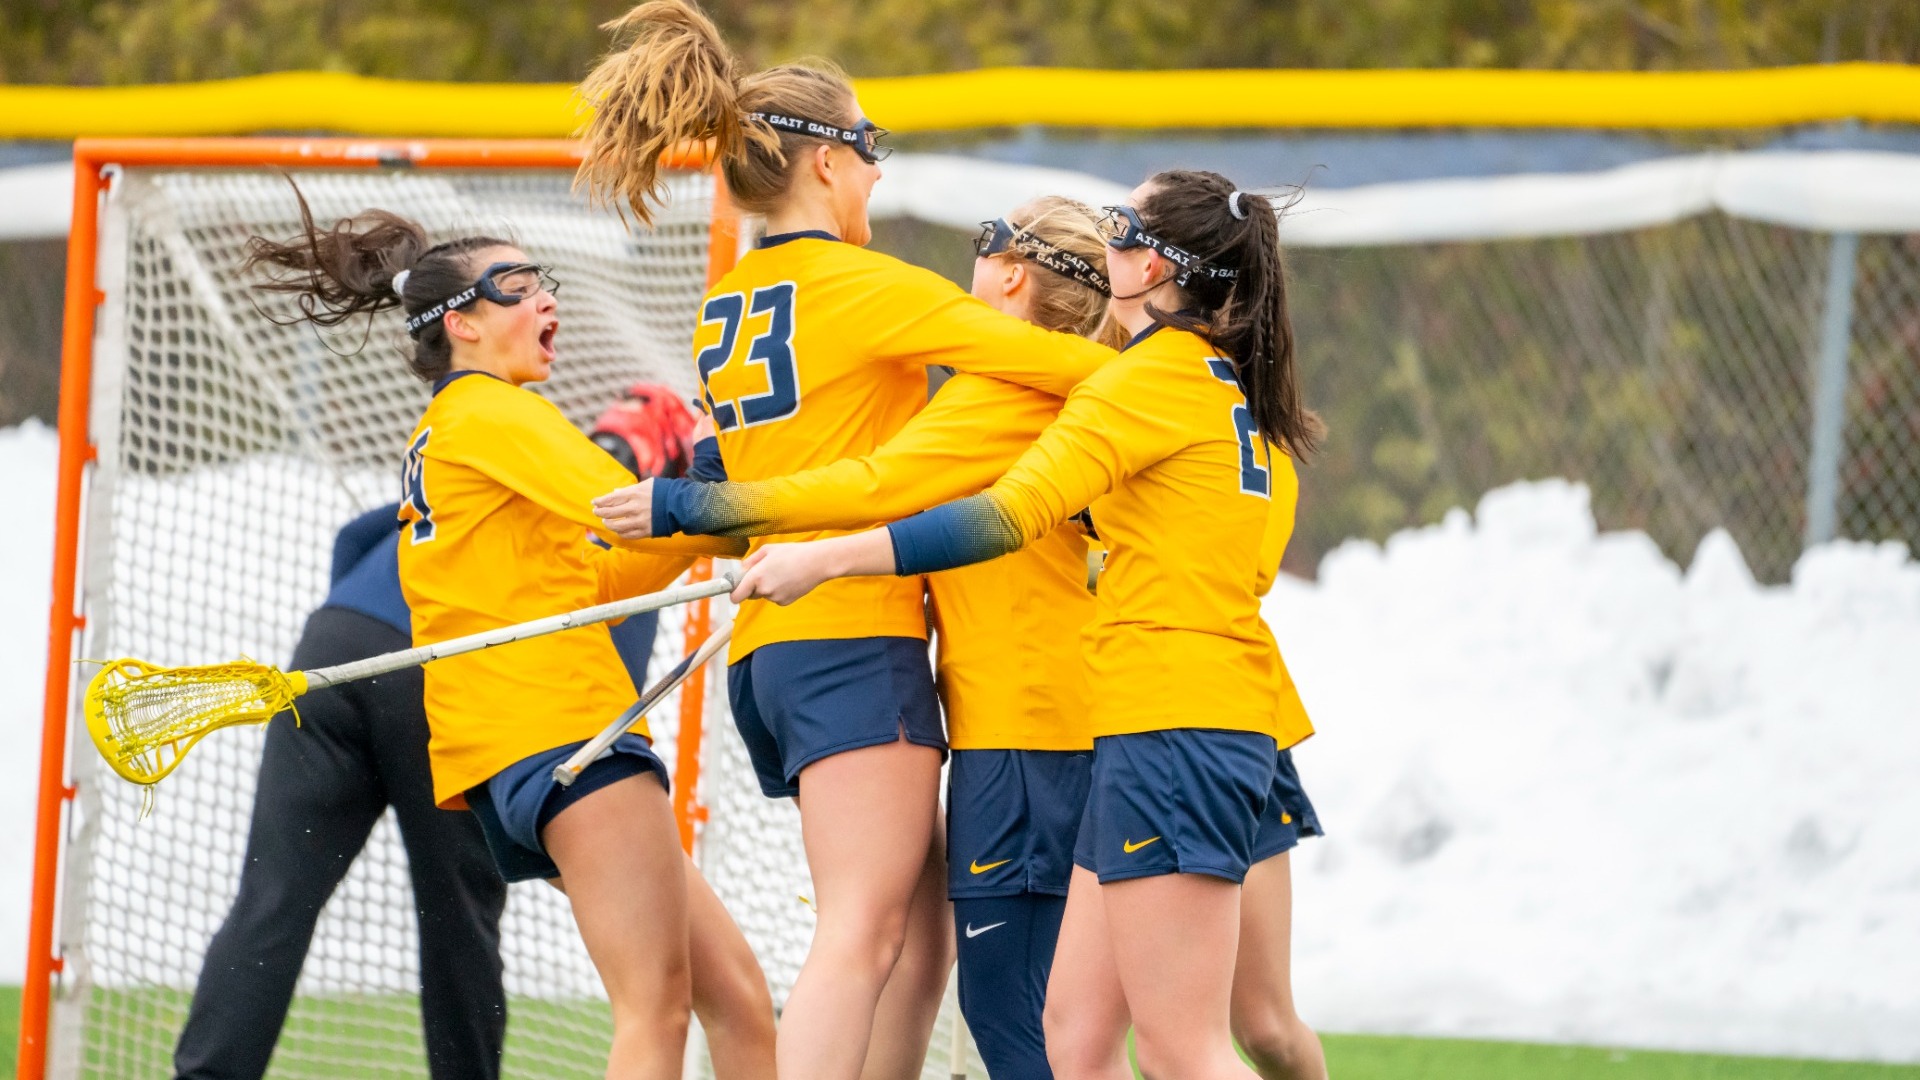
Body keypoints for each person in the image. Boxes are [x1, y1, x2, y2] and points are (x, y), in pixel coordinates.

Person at [601, 196, 1330, 1079]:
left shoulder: (1065, 392)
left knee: (1112, 1034)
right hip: (1213, 715)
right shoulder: (1222, 392)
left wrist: (715, 506)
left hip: (1069, 727)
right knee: (1149, 1027)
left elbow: (904, 492)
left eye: (986, 241)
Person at [574, 6, 1115, 1078]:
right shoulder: (869, 291)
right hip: (850, 635)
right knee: (863, 936)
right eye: (871, 153)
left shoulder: (726, 303)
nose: (877, 178)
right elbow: (1051, 361)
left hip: (782, 650)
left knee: (913, 947)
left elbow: (756, 469)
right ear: (827, 163)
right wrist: (1189, 387)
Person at [243, 188, 772, 1080]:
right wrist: (753, 487)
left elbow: (599, 575)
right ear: (462, 325)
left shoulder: (456, 429)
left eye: (541, 280)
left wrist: (717, 511)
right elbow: (627, 507)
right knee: (657, 1010)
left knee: (741, 1002)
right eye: (518, 284)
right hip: (563, 736)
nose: (546, 299)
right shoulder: (491, 413)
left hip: (520, 755)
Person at [171, 503, 509, 1080]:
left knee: (271, 897)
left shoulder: (468, 467)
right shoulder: (593, 505)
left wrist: (365, 646)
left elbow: (353, 534)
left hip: (333, 648)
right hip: (438, 676)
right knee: (459, 917)